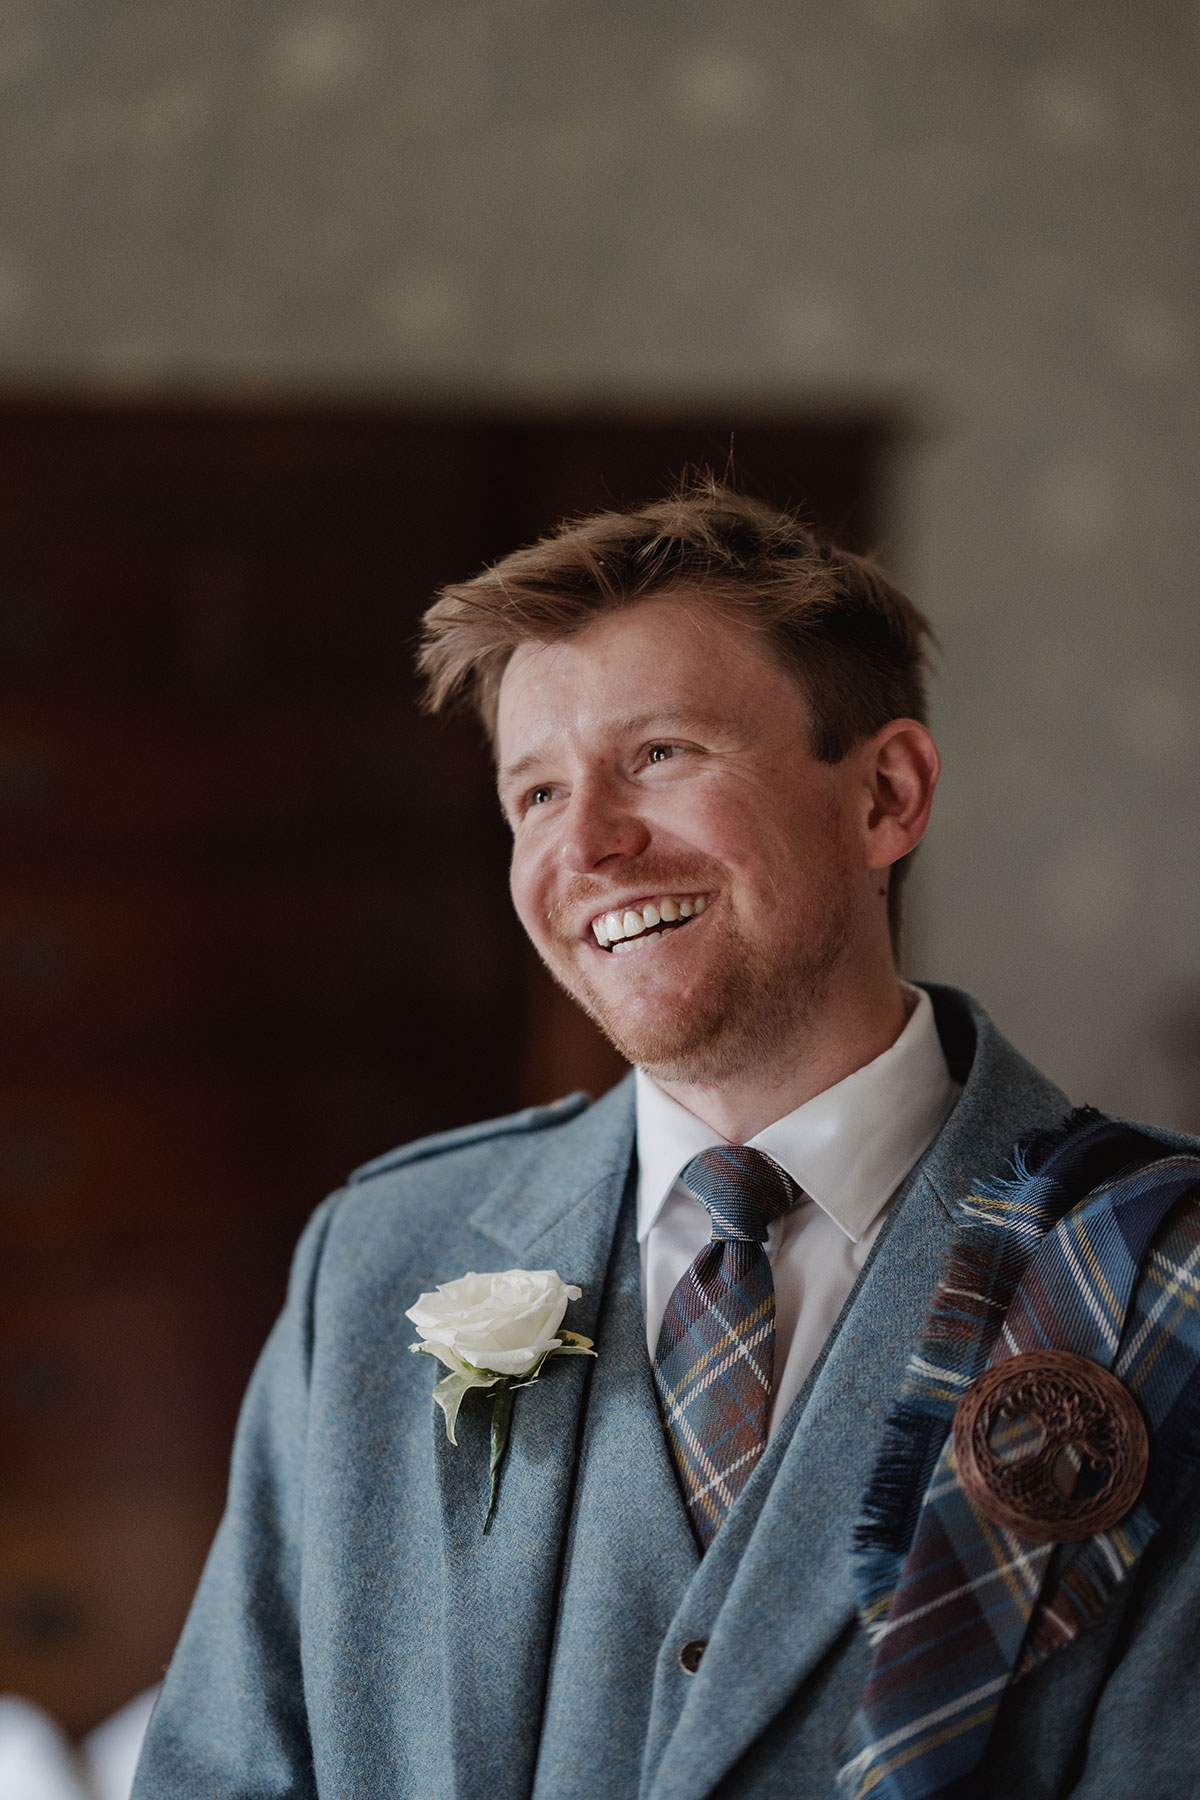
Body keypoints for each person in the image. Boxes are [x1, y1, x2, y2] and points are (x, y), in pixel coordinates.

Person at [133, 484, 1200, 1800]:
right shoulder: (375, 1257)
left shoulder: (1158, 1277)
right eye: (532, 792)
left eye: (659, 756)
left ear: (885, 794)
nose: (583, 844)